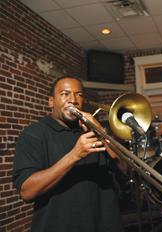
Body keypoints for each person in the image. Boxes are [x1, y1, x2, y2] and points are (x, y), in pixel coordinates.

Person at [13, 76, 125, 232]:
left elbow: (123, 170)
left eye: (78, 94)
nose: (73, 100)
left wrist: (100, 132)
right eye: (65, 94)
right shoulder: (35, 133)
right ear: (51, 101)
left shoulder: (91, 130)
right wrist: (74, 155)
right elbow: (27, 191)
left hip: (105, 224)